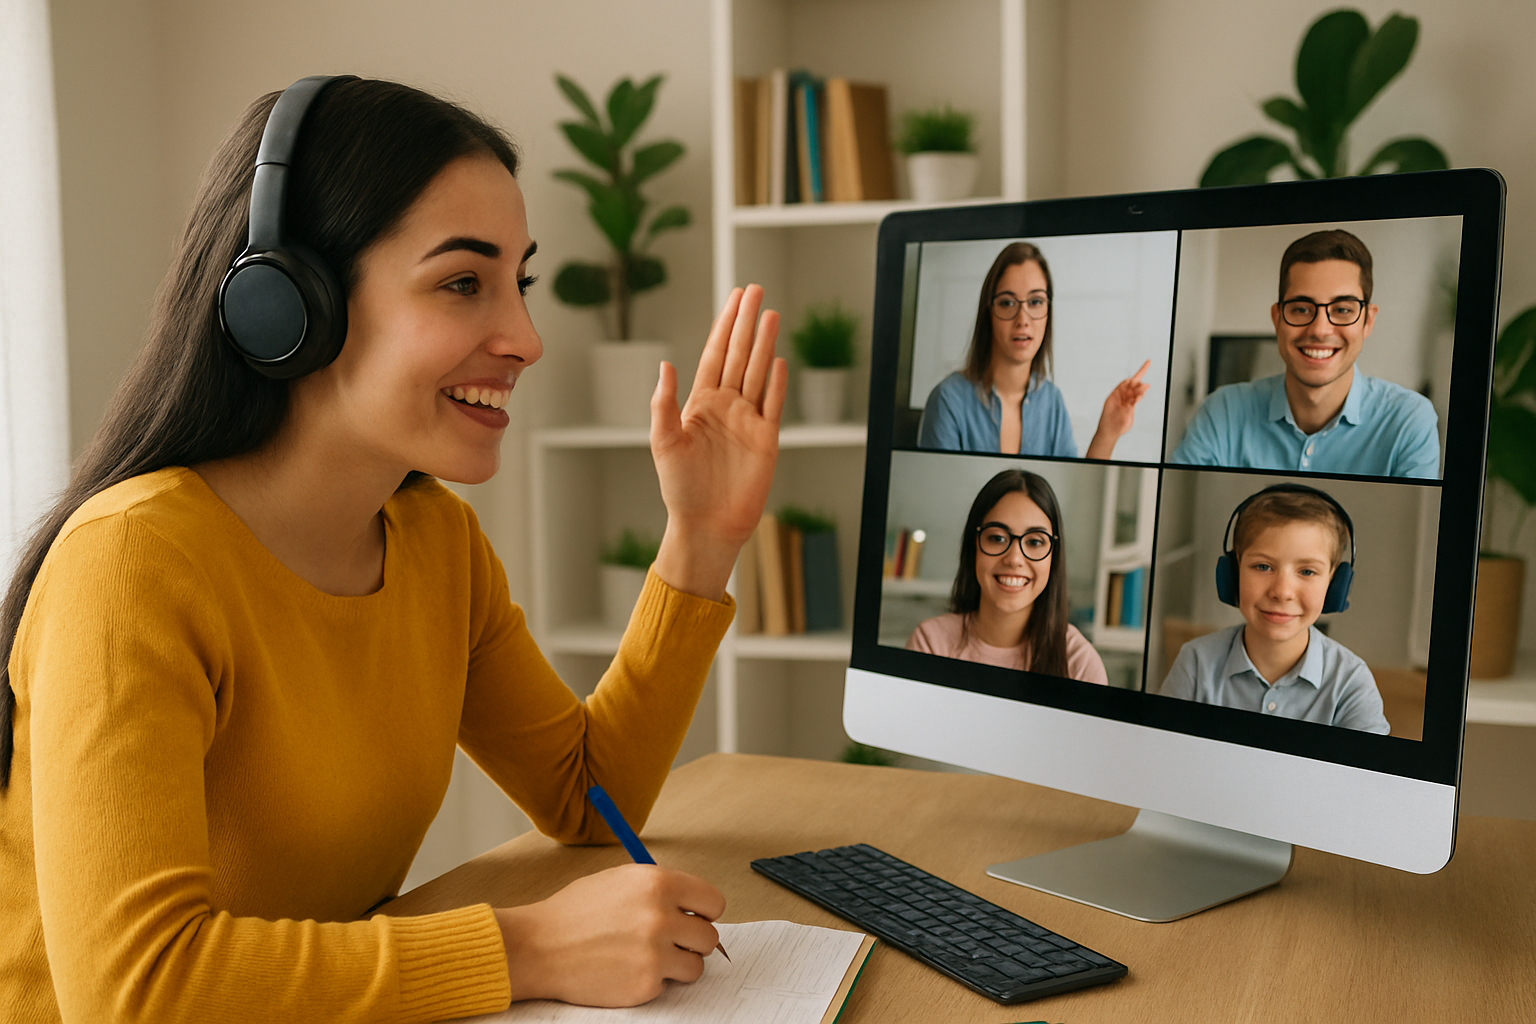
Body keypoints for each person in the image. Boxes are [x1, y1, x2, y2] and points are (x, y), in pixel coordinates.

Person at [0, 78, 788, 1023]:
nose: (527, 339)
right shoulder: (131, 568)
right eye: (463, 282)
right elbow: (136, 991)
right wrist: (530, 945)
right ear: (288, 303)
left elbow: (589, 797)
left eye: (519, 283)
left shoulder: (434, 543)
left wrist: (700, 540)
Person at [1170, 229, 1440, 478]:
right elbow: (1178, 522)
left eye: (1342, 310)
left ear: (1368, 321)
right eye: (1301, 309)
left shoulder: (1408, 421)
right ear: (1277, 319)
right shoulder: (1222, 413)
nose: (1320, 330)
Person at [1159, 485, 1390, 734]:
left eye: (1307, 571)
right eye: (1263, 567)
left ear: (1334, 584)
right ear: (1234, 571)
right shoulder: (1196, 663)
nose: (1282, 591)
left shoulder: (1351, 682)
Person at [916, 242, 1151, 460]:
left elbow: (1066, 496)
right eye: (1007, 303)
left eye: (1036, 302)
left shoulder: (1052, 402)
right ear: (988, 312)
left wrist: (1107, 433)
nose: (1023, 319)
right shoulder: (947, 400)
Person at [907, 469, 1109, 684]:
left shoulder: (1080, 663)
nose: (1014, 559)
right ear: (973, 545)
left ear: (1054, 556)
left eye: (1034, 542)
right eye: (997, 538)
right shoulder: (930, 643)